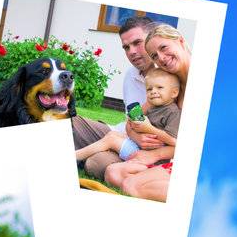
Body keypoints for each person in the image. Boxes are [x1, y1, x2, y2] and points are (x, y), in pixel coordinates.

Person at [71, 16, 162, 182]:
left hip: (143, 153)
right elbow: (131, 119)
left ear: (152, 39)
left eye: (137, 43)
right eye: (126, 47)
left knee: (95, 164)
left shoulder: (169, 80)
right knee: (70, 121)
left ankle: (84, 154)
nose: (131, 52)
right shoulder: (131, 75)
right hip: (119, 134)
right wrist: (133, 134)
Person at [108, 26, 191, 201]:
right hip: (167, 154)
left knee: (130, 185)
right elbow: (133, 116)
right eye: (154, 55)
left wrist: (155, 155)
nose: (161, 58)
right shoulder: (169, 81)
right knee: (113, 172)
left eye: (164, 48)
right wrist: (135, 133)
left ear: (181, 41)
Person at [72, 68, 182, 171]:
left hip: (151, 159)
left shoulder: (173, 113)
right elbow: (130, 123)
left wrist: (149, 129)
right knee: (113, 135)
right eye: (149, 89)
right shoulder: (153, 106)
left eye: (159, 87)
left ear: (174, 92)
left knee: (111, 139)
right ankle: (80, 155)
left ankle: (75, 156)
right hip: (138, 147)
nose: (153, 91)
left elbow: (173, 140)